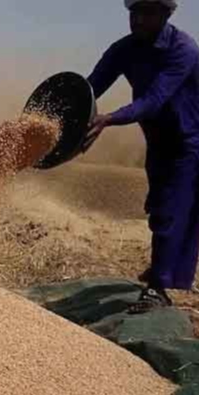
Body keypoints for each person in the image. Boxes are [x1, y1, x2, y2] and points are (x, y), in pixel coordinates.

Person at [84, 0, 199, 313]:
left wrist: (107, 119)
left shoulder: (183, 49)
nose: (137, 19)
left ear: (165, 14)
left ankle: (159, 289)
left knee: (173, 211)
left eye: (147, 12)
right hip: (159, 139)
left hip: (190, 139)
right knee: (159, 207)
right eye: (134, 12)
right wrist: (70, 111)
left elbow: (154, 100)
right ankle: (165, 267)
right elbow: (91, 86)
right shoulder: (124, 49)